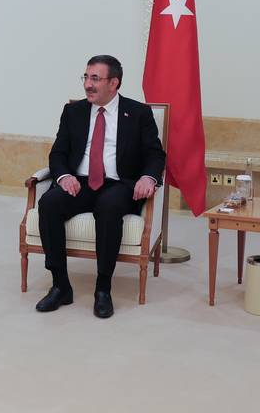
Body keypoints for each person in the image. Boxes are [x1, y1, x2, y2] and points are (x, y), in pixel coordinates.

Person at [35, 55, 165, 319]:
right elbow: (58, 154)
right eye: (86, 77)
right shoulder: (73, 112)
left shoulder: (138, 113)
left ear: (114, 83)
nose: (88, 85)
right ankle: (61, 285)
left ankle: (103, 289)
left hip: (119, 183)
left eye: (95, 78)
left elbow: (155, 154)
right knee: (49, 204)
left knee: (108, 206)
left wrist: (148, 178)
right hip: (80, 182)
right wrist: (63, 178)